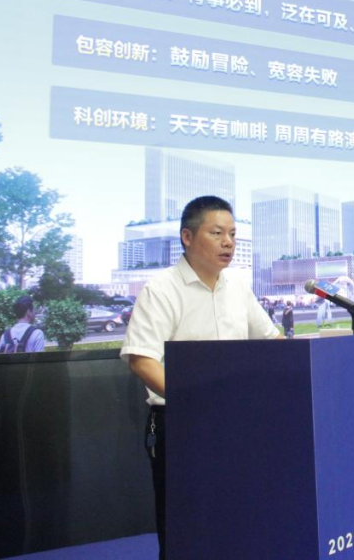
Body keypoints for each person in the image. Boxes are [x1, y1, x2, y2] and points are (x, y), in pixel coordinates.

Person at [120, 195, 281, 560]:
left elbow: (272, 341)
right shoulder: (162, 289)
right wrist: (196, 400)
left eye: (233, 234)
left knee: (239, 519)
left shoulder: (237, 287)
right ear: (187, 237)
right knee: (187, 529)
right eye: (217, 233)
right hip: (183, 423)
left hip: (238, 421)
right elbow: (142, 360)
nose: (229, 243)